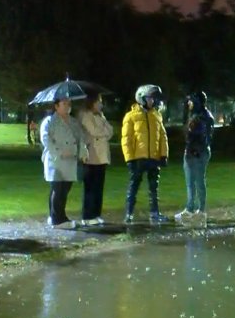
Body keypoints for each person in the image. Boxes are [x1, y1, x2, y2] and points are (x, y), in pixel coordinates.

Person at [121, 84, 169, 224]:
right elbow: (126, 139)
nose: (152, 101)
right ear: (141, 98)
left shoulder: (156, 115)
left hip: (153, 157)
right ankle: (129, 214)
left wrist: (163, 155)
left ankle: (155, 213)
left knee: (153, 188)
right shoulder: (131, 116)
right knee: (133, 187)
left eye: (153, 99)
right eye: (150, 98)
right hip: (138, 159)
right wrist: (129, 159)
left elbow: (162, 137)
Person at [40, 97, 87, 228]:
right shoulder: (49, 121)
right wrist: (59, 152)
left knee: (65, 188)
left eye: (69, 104)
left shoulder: (73, 122)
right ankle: (57, 220)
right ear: (56, 106)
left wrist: (83, 152)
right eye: (64, 104)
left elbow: (80, 138)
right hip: (55, 160)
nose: (67, 106)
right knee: (58, 188)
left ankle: (57, 216)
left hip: (70, 160)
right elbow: (46, 140)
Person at [175, 91, 214, 224]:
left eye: (191, 101)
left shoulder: (203, 117)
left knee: (198, 180)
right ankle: (190, 208)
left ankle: (201, 210)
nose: (189, 103)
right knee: (190, 181)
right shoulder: (196, 115)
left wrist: (195, 151)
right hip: (191, 151)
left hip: (198, 152)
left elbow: (200, 137)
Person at [77, 93, 113, 225]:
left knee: (99, 187)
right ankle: (88, 216)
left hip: (102, 156)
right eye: (99, 102)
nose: (101, 105)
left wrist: (104, 131)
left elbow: (111, 130)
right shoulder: (85, 115)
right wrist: (104, 132)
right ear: (92, 102)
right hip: (91, 155)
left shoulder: (100, 116)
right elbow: (94, 131)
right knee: (90, 187)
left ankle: (96, 214)